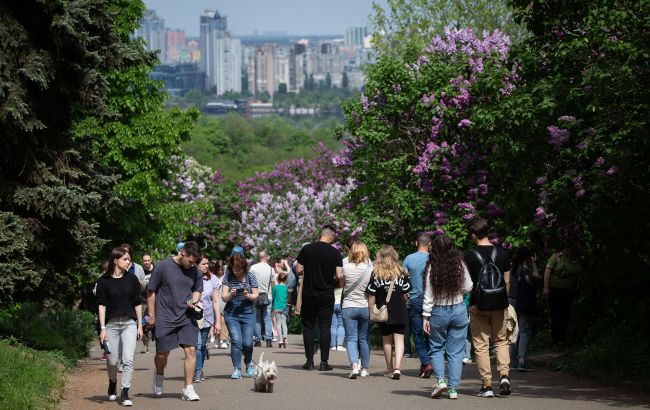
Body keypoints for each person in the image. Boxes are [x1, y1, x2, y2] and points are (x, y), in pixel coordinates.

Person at [146, 241, 203, 401]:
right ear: (182, 253)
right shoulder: (162, 267)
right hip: (165, 317)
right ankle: (159, 374)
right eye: (190, 261)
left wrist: (195, 300)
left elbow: (198, 289)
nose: (192, 265)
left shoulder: (195, 271)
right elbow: (151, 291)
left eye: (195, 262)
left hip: (187, 316)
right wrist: (152, 315)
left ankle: (188, 388)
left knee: (191, 350)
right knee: (162, 355)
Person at [464, 218, 512, 397]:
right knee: (501, 341)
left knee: (481, 345)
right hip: (500, 303)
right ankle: (504, 376)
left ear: (473, 235)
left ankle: (486, 386)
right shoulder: (502, 252)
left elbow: (467, 283)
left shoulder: (470, 256)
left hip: (479, 304)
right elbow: (507, 280)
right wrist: (503, 297)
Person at [423, 235, 474, 399]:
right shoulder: (460, 264)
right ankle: (453, 389)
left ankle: (440, 381)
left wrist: (425, 317)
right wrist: (458, 292)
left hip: (439, 311)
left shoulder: (432, 267)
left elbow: (428, 296)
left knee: (437, 347)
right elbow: (469, 286)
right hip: (459, 309)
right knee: (456, 352)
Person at [96, 247, 143, 406]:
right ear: (115, 260)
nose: (129, 262)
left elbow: (137, 303)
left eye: (129, 259)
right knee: (112, 360)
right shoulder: (103, 281)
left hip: (129, 323)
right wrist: (102, 329)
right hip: (111, 324)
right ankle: (112, 381)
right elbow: (101, 305)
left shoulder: (132, 279)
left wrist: (140, 326)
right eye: (125, 259)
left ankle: (124, 392)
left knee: (128, 358)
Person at [295, 225, 343, 371]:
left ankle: (309, 362)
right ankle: (324, 362)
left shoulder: (307, 249)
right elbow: (339, 275)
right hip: (326, 294)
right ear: (331, 236)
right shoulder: (335, 253)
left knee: (308, 326)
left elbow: (298, 269)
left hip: (309, 293)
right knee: (325, 327)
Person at [366, 245, 411, 380]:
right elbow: (406, 292)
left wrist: (371, 311)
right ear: (394, 256)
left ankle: (389, 368)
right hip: (399, 309)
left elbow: (371, 295)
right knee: (399, 339)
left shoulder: (375, 273)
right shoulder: (401, 272)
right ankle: (398, 367)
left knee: (386, 339)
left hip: (383, 310)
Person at [221, 253, 259, 378]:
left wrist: (248, 295)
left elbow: (256, 295)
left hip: (248, 313)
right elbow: (224, 297)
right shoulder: (227, 277)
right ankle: (237, 368)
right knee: (236, 341)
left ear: (244, 267)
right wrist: (231, 294)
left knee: (247, 343)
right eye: (234, 269)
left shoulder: (250, 276)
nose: (237, 272)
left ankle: (248, 363)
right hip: (231, 313)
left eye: (239, 269)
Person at [403, 232, 434, 378]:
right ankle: (426, 364)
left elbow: (403, 278)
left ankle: (426, 363)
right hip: (432, 301)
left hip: (415, 299)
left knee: (417, 334)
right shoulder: (434, 259)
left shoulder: (409, 258)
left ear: (416, 243)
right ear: (430, 244)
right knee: (429, 333)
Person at [341, 240, 373, 379]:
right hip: (365, 306)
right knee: (364, 338)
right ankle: (365, 368)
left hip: (348, 306)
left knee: (351, 339)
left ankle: (354, 366)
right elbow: (372, 290)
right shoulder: (370, 269)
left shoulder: (345, 267)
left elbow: (342, 285)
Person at [544, 247, 581, 350]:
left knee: (565, 315)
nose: (570, 250)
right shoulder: (556, 257)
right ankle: (556, 341)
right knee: (556, 315)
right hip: (555, 290)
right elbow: (547, 272)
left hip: (568, 291)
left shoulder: (575, 259)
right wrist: (546, 288)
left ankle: (562, 340)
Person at [194, 256, 222, 383]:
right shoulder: (189, 278)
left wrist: (218, 322)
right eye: (203, 264)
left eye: (207, 263)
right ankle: (198, 371)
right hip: (192, 318)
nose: (206, 266)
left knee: (201, 345)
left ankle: (199, 367)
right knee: (197, 346)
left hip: (207, 318)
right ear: (196, 265)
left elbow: (216, 302)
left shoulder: (213, 279)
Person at [250, 251, 275, 348]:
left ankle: (258, 340)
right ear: (266, 257)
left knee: (257, 319)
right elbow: (273, 285)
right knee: (267, 318)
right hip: (267, 296)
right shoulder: (271, 269)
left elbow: (250, 282)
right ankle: (268, 339)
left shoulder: (253, 268)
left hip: (255, 295)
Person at [212, 260, 229, 349]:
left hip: (224, 301)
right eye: (218, 268)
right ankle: (217, 339)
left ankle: (224, 340)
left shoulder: (226, 277)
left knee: (224, 321)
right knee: (216, 321)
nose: (220, 270)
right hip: (214, 302)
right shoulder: (212, 277)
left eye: (221, 268)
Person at [140, 253, 155, 354]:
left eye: (148, 260)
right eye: (144, 261)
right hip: (143, 300)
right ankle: (145, 344)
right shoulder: (141, 271)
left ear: (151, 260)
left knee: (155, 321)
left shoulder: (156, 270)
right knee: (142, 322)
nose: (146, 262)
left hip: (155, 301)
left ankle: (156, 338)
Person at [272, 272, 289, 347]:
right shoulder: (286, 287)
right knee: (284, 323)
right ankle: (285, 337)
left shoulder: (275, 287)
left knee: (278, 323)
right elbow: (288, 297)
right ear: (285, 280)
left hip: (276, 307)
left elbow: (273, 297)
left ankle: (280, 339)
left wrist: (272, 306)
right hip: (284, 307)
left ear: (278, 279)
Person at [330, 286, 346, 352]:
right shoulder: (343, 285)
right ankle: (339, 346)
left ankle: (333, 346)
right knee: (341, 325)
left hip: (332, 305)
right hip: (341, 304)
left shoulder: (332, 284)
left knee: (333, 326)